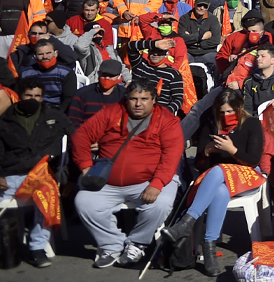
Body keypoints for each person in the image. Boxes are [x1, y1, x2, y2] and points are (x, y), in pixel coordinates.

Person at [72, 81, 184, 268]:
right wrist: (85, 166)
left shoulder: (167, 120)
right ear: (127, 99)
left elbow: (172, 155)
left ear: (154, 100)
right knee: (84, 202)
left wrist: (157, 183)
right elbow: (81, 136)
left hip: (149, 179)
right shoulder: (110, 112)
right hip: (108, 180)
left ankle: (137, 243)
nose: (138, 104)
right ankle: (112, 244)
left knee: (161, 204)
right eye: (133, 99)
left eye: (144, 99)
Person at [160, 89, 263, 277]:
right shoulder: (211, 125)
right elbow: (200, 164)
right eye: (222, 112)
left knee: (218, 170)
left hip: (246, 174)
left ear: (239, 108)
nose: (226, 116)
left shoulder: (252, 124)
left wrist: (232, 150)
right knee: (221, 190)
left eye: (230, 111)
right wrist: (207, 151)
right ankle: (209, 249)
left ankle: (185, 222)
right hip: (217, 181)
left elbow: (254, 160)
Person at [0, 78, 73, 268]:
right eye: (28, 95)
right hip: (9, 175)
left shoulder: (54, 116)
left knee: (47, 196)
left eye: (37, 96)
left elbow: (76, 136)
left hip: (41, 174)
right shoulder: (5, 119)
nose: (33, 99)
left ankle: (37, 247)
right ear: (19, 96)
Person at [127, 38, 185, 115]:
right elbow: (130, 46)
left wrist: (164, 113)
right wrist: (154, 44)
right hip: (134, 110)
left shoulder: (173, 74)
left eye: (160, 52)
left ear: (166, 54)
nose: (155, 54)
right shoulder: (139, 65)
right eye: (153, 51)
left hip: (159, 114)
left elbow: (178, 100)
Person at [67, 60, 128, 127]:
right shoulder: (82, 94)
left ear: (118, 77)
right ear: (98, 74)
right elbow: (73, 122)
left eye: (111, 76)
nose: (107, 78)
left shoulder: (124, 96)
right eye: (104, 74)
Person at [20, 38, 76, 112]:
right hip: (31, 110)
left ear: (56, 54)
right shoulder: (26, 73)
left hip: (56, 110)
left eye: (48, 53)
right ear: (35, 55)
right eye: (40, 54)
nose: (45, 57)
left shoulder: (66, 72)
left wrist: (58, 114)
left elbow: (69, 98)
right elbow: (20, 94)